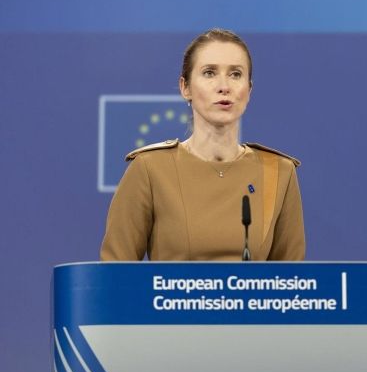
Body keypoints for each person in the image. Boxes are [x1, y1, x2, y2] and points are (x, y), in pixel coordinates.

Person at [100, 28, 305, 261]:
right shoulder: (149, 169)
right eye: (209, 73)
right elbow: (115, 275)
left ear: (249, 90)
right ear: (185, 87)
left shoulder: (278, 172)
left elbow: (291, 279)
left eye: (235, 74)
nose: (224, 86)